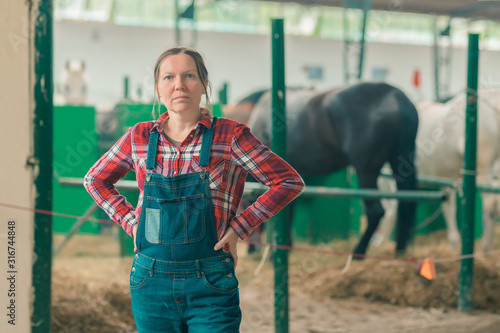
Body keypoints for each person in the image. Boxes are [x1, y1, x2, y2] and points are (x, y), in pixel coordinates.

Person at [84, 46, 305, 332]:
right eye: (169, 77)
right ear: (158, 88)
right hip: (150, 280)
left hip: (211, 279)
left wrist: (241, 227)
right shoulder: (138, 136)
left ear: (203, 84)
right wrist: (131, 223)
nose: (179, 85)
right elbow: (95, 180)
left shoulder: (230, 135)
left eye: (189, 75)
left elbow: (288, 181)